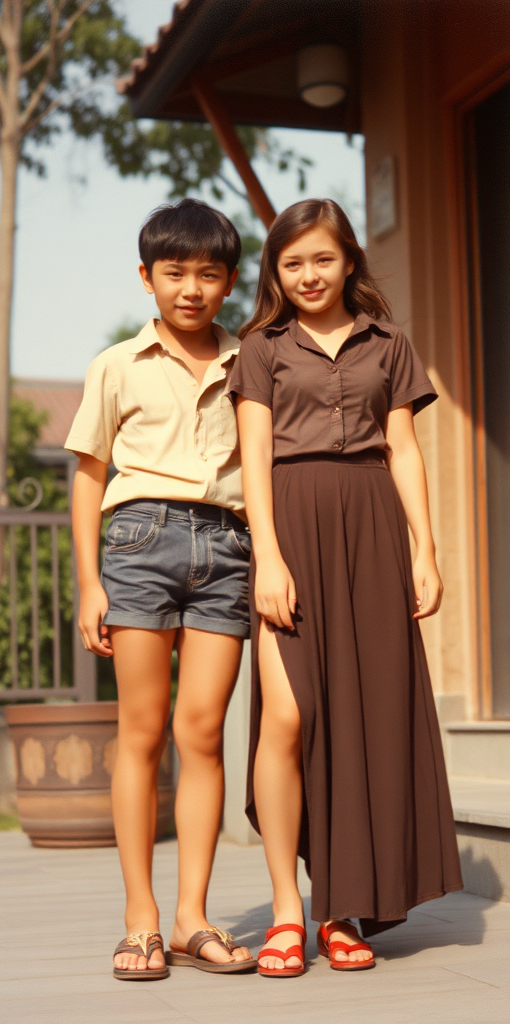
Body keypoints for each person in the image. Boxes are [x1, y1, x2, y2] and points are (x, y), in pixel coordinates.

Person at [228, 198, 463, 978]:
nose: (307, 275)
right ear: (276, 272)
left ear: (349, 259)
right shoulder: (260, 347)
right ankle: (287, 912)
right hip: (291, 526)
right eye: (291, 263)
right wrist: (269, 556)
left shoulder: (389, 344)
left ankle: (340, 909)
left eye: (321, 259)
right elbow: (253, 458)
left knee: (362, 720)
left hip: (371, 529)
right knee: (289, 717)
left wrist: (425, 551)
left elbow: (403, 448)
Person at [65, 199, 256, 979]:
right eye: (174, 272)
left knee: (202, 733)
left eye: (208, 274)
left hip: (229, 544)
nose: (191, 288)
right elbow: (88, 472)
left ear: (230, 282)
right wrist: (88, 583)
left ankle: (190, 918)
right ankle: (139, 916)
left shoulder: (252, 363)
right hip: (138, 543)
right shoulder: (116, 365)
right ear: (146, 278)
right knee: (141, 730)